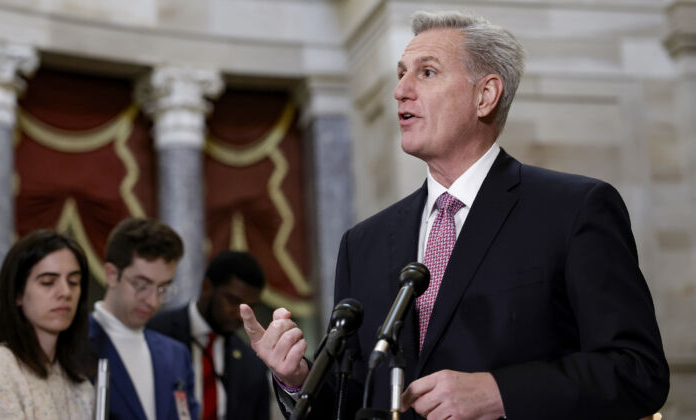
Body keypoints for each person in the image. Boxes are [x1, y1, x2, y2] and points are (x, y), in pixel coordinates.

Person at [240, 10, 670, 420]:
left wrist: (500, 393)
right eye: (401, 73)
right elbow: (358, 399)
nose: (400, 90)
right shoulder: (364, 242)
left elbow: (636, 371)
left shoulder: (574, 209)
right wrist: (298, 377)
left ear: (485, 95)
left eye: (426, 72)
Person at [89, 218, 199, 420]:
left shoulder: (175, 355)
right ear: (112, 274)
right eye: (141, 285)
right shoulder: (75, 344)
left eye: (163, 288)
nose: (153, 301)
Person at [147, 250, 270, 420]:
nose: (240, 315)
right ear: (207, 288)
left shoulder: (252, 363)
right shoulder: (154, 333)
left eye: (251, 307)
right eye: (233, 301)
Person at [0, 230, 94, 419]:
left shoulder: (79, 383)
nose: (65, 292)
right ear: (17, 294)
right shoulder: (1, 366)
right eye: (48, 282)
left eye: (73, 282)